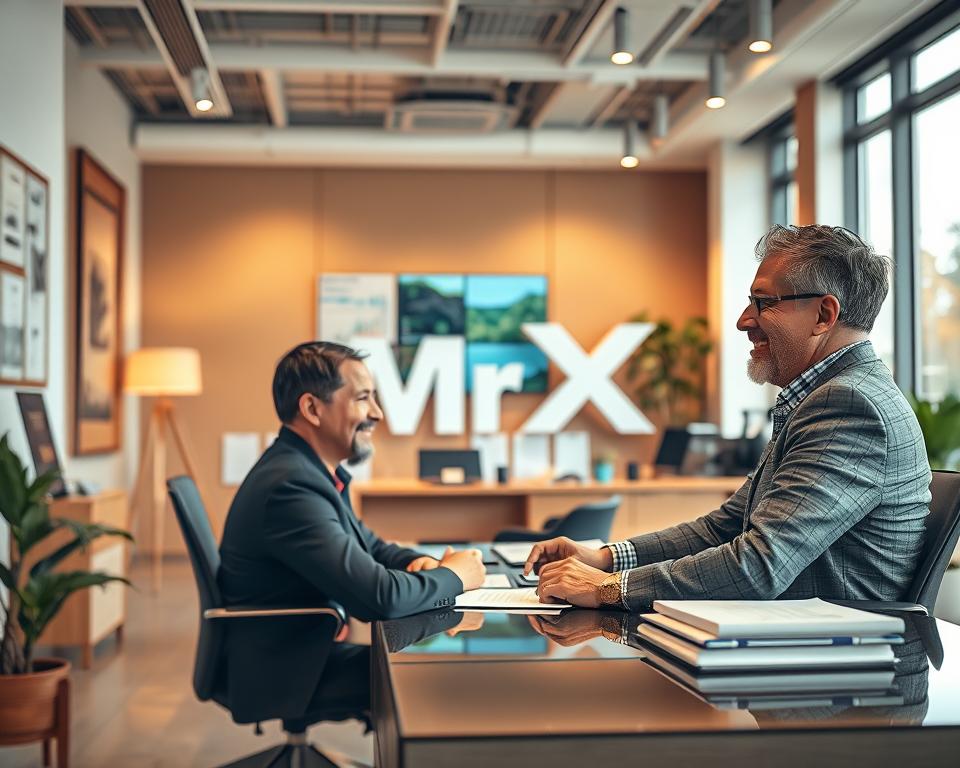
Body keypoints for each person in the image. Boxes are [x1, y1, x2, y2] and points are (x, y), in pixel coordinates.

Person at [525, 224, 931, 610]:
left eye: (764, 302)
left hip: (834, 667)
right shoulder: (826, 397)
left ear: (824, 315)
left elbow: (758, 566)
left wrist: (611, 589)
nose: (743, 320)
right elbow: (724, 527)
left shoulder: (848, 405)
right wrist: (606, 559)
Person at [218, 341, 485, 620]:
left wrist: (420, 563)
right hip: (296, 660)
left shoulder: (312, 473)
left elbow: (371, 547)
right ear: (312, 409)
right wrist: (456, 575)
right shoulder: (291, 487)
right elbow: (380, 598)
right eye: (362, 398)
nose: (377, 413)